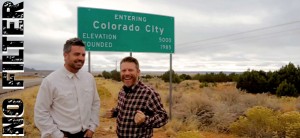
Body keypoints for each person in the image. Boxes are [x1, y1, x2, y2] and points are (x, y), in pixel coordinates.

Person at [34, 37, 100, 138]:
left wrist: (92, 127)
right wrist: (58, 135)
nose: (81, 58)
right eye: (77, 54)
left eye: (83, 55)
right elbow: (40, 113)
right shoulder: (50, 81)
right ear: (65, 55)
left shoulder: (89, 78)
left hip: (86, 134)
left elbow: (95, 103)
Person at [105, 56, 168, 138]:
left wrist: (145, 119)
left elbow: (163, 117)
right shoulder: (122, 91)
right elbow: (124, 110)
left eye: (130, 70)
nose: (126, 73)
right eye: (123, 70)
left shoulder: (148, 93)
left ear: (138, 72)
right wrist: (114, 112)